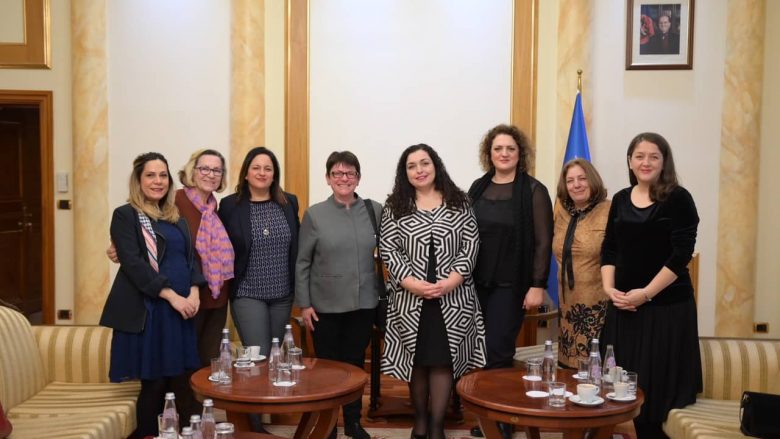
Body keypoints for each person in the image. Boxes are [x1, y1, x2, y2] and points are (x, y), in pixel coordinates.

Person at [380, 144, 486, 439]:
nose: (419, 170)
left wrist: (452, 280)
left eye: (424, 163)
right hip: (410, 299)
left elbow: (471, 244)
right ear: (404, 173)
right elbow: (389, 249)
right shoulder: (395, 206)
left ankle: (437, 426)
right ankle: (421, 422)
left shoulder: (459, 201)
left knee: (442, 360)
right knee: (417, 361)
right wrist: (411, 283)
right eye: (412, 166)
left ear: (435, 165)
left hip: (452, 296)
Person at [600, 133, 701, 438]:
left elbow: (681, 255)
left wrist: (645, 295)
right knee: (620, 387)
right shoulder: (620, 198)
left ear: (664, 162)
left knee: (656, 392)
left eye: (653, 156)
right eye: (639, 156)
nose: (646, 162)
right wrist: (609, 289)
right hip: (624, 308)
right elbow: (609, 248)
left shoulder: (678, 198)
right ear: (630, 161)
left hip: (665, 310)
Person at [100, 152, 205, 437]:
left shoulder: (176, 217)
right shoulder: (126, 215)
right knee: (155, 383)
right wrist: (172, 297)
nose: (158, 181)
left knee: (181, 382)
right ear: (138, 180)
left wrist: (194, 291)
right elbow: (133, 264)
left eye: (163, 175)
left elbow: (190, 258)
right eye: (150, 175)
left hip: (181, 310)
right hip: (152, 311)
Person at [107, 149, 235, 366]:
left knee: (208, 363)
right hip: (181, 297)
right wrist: (116, 247)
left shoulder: (215, 209)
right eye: (204, 169)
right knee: (182, 365)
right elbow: (142, 229)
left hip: (214, 296)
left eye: (217, 170)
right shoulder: (173, 201)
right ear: (192, 172)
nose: (210, 174)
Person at [467, 124, 552, 439]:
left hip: (511, 285)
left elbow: (543, 242)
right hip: (475, 285)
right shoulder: (477, 188)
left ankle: (502, 420)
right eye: (498, 149)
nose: (504, 154)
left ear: (520, 154)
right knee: (479, 352)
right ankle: (488, 416)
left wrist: (537, 284)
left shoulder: (533, 190)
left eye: (510, 149)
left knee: (499, 352)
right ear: (489, 154)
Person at [295, 151, 381, 439]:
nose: (344, 178)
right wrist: (304, 304)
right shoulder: (315, 214)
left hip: (363, 304)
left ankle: (353, 422)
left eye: (350, 173)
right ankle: (329, 425)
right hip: (324, 306)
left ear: (358, 177)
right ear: (328, 178)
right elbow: (303, 262)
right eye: (337, 173)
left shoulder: (374, 210)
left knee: (355, 365)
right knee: (328, 369)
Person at [218, 146, 299, 355]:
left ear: (274, 175)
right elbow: (218, 245)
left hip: (283, 295)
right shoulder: (230, 206)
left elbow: (297, 246)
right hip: (248, 294)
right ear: (246, 173)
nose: (262, 173)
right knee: (259, 354)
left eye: (267, 169)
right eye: (256, 168)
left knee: (275, 355)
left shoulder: (289, 202)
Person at [552, 158, 610, 368]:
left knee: (595, 370)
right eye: (570, 181)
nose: (576, 185)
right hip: (567, 306)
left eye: (582, 178)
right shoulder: (561, 211)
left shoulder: (609, 210)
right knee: (568, 371)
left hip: (599, 305)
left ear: (592, 180)